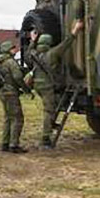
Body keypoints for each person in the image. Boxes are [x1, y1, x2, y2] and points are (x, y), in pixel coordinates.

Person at [27, 19, 84, 149]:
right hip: (47, 86)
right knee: (49, 111)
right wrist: (75, 30)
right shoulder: (52, 54)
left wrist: (32, 40)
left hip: (37, 85)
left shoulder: (35, 54)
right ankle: (46, 138)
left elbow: (27, 53)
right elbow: (66, 43)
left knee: (50, 108)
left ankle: (49, 127)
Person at [0, 40, 30, 153]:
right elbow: (17, 77)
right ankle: (14, 144)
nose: (14, 50)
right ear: (8, 50)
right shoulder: (11, 62)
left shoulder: (0, 62)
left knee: (8, 117)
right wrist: (26, 89)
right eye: (12, 48)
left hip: (2, 92)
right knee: (17, 118)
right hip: (11, 92)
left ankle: (5, 143)